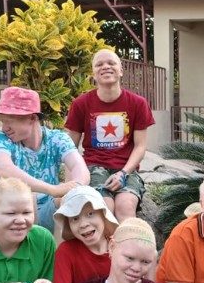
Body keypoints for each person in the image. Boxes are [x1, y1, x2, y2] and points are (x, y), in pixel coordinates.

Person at [65, 49, 155, 222]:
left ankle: (127, 248)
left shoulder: (138, 103)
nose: (105, 67)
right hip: (93, 167)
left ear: (121, 70)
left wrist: (123, 173)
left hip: (126, 169)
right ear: (94, 74)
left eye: (111, 63)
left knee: (125, 208)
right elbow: (70, 149)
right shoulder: (80, 104)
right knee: (104, 207)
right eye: (99, 64)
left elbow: (140, 146)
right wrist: (70, 185)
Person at [0, 86, 89, 230]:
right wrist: (53, 189)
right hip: (14, 212)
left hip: (49, 209)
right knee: (32, 199)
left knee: (70, 201)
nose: (5, 128)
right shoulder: (1, 138)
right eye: (2, 121)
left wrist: (76, 187)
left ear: (32, 117)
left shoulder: (57, 138)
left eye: (10, 121)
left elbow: (78, 166)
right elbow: (3, 169)